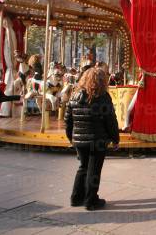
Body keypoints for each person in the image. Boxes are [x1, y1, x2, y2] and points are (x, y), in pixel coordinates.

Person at [65, 67, 119, 210]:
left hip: (79, 139)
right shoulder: (103, 97)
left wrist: (71, 137)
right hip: (97, 140)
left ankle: (76, 197)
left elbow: (68, 119)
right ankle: (91, 200)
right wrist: (115, 138)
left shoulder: (74, 95)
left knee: (83, 167)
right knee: (93, 170)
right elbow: (110, 120)